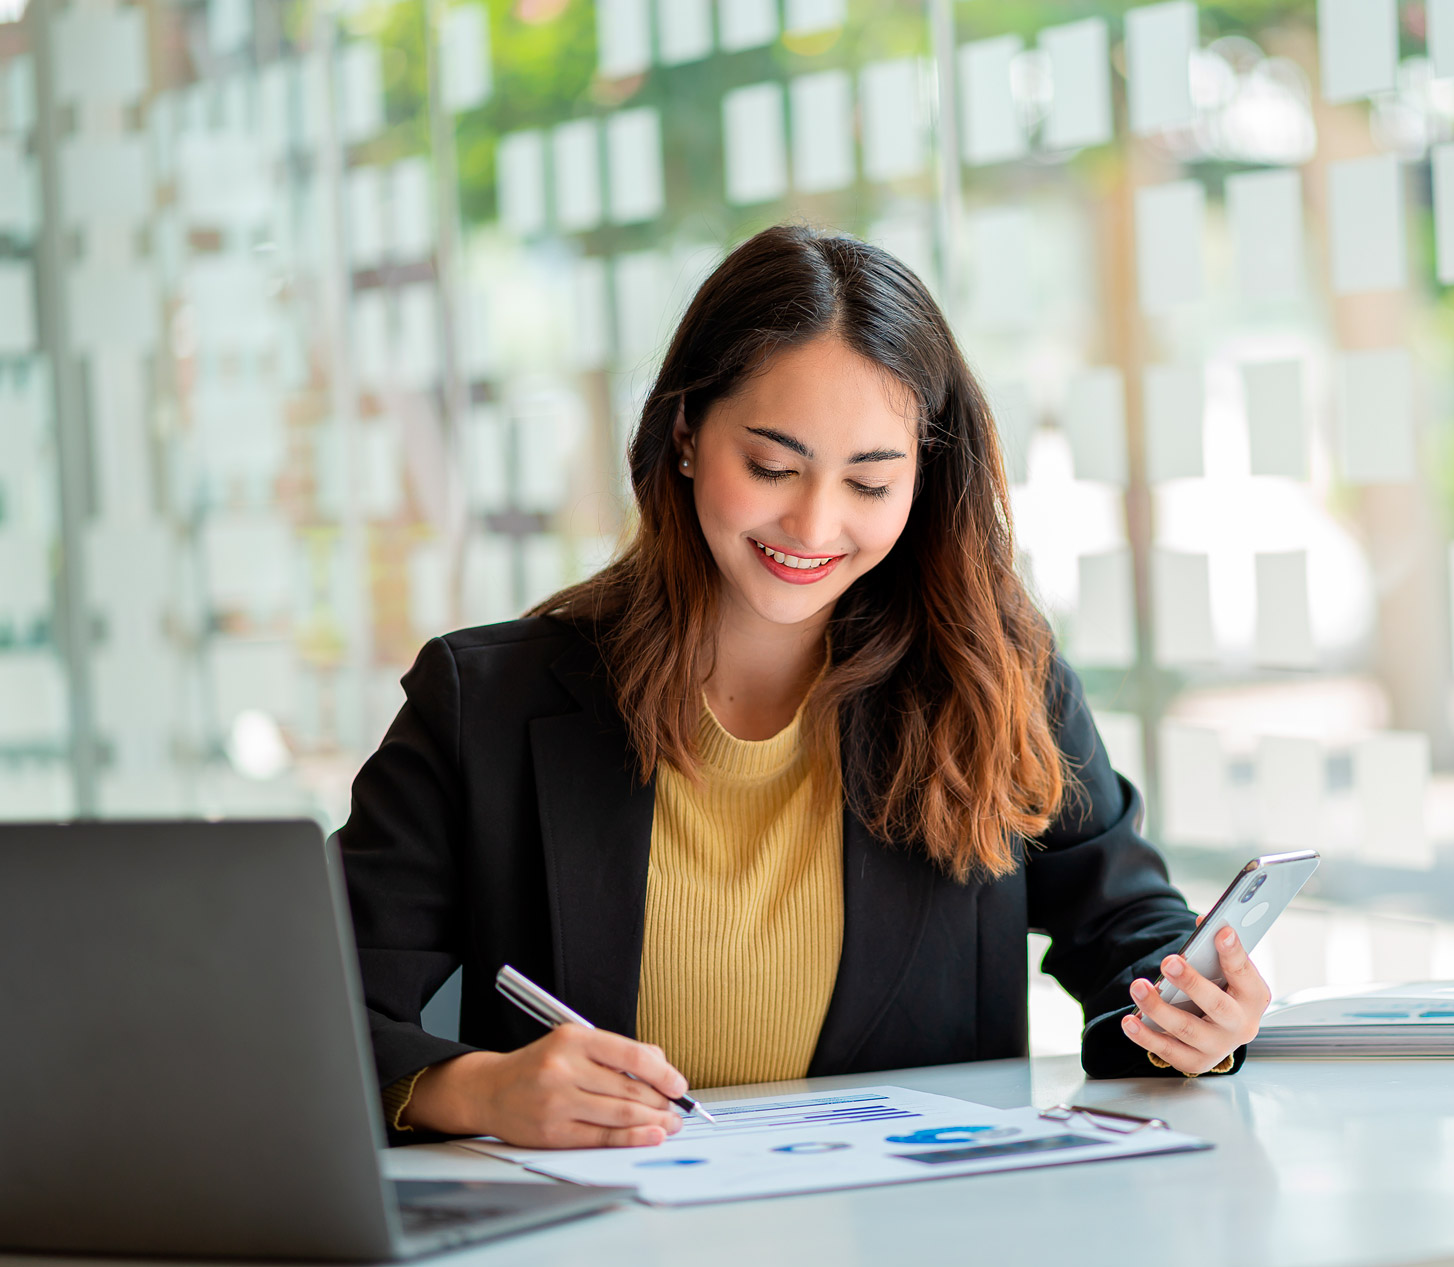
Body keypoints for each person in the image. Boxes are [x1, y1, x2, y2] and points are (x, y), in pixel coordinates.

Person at [338, 225, 1271, 1149]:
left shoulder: (994, 678)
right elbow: (309, 1004)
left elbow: (1128, 932)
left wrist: (1193, 1015)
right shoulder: (483, 704)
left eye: (869, 484)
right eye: (774, 466)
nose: (815, 523)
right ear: (686, 434)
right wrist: (477, 1091)